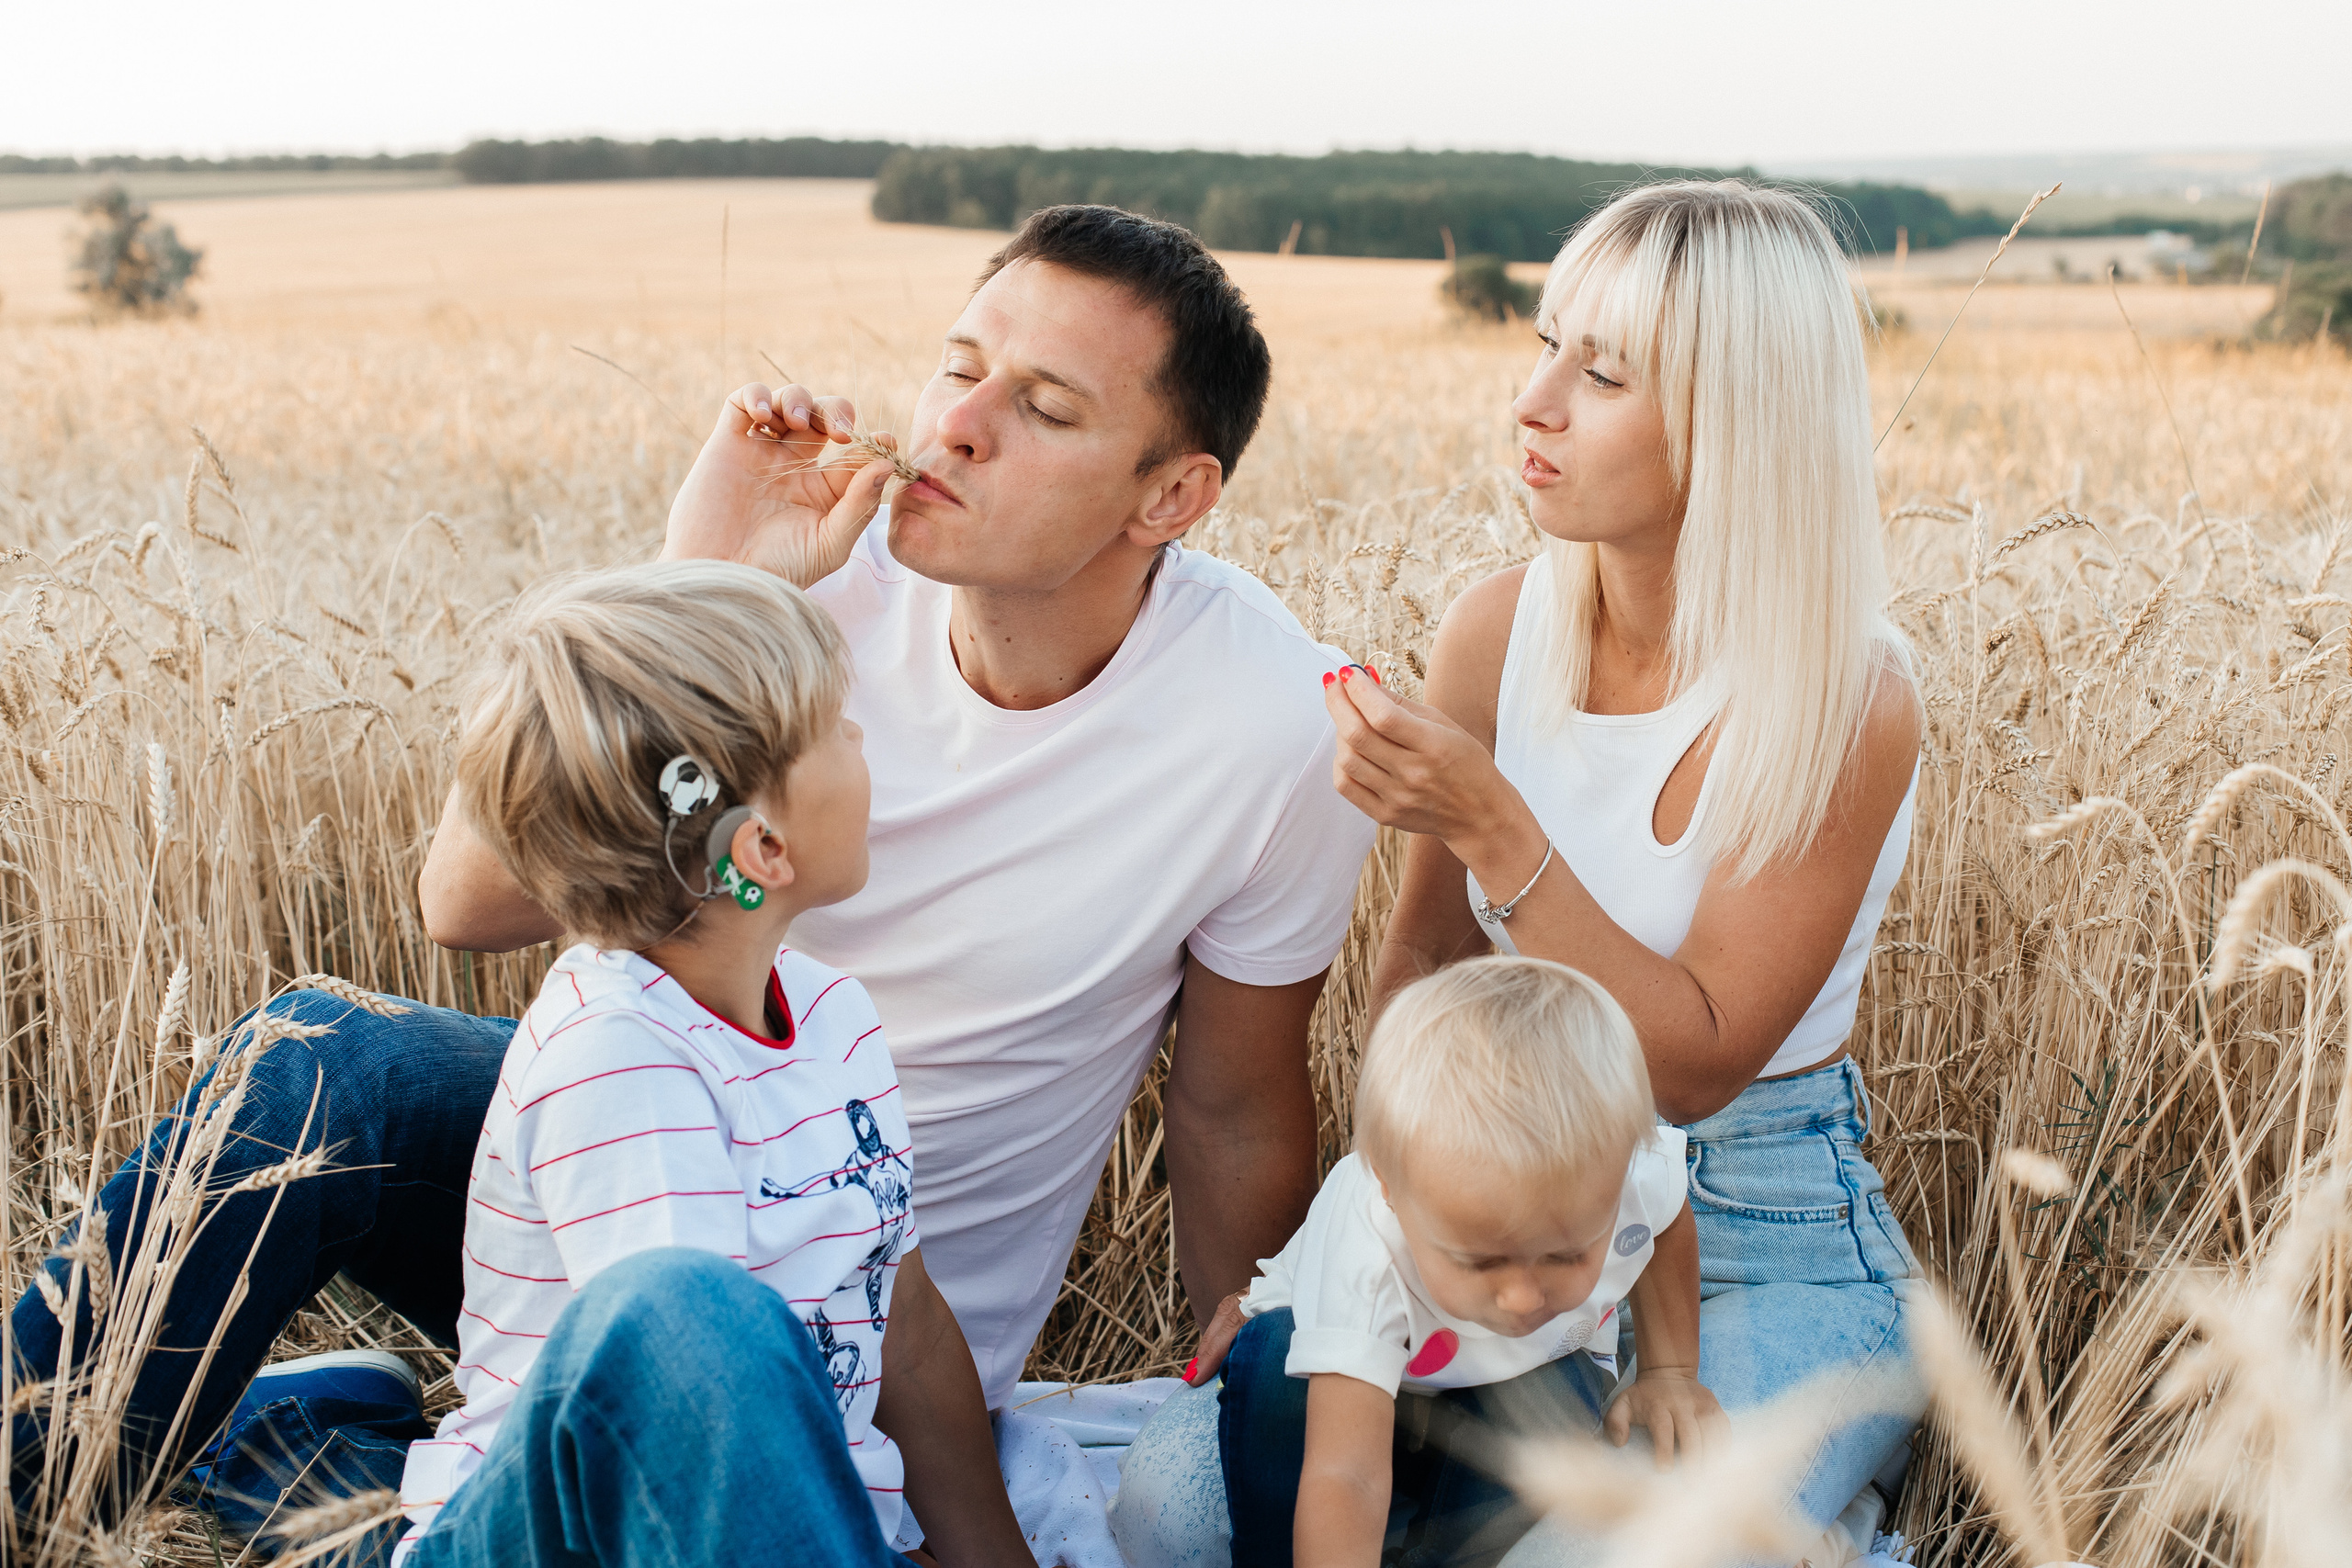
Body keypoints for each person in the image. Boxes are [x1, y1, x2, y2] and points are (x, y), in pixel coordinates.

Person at [11, 205, 1374, 1544]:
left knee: (690, 1337)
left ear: (1173, 493)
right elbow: (468, 902)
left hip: (877, 1306)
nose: (958, 423)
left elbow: (1233, 1101)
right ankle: (33, 1471)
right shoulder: (809, 582)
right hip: (628, 1175)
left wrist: (1229, 1389)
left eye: (1047, 408)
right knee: (318, 1061)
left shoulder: (1268, 718)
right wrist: (701, 573)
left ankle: (310, 1452)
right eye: (960, 365)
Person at [1123, 179, 1925, 1568]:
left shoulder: (1842, 695)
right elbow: (1424, 974)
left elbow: (1690, 1069)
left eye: (1600, 371)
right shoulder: (1500, 628)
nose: (1534, 401)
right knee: (1176, 1508)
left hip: (1750, 1228)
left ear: (1737, 421)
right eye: (1546, 344)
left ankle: (1800, 1519)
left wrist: (1503, 830)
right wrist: (1363, 1235)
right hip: (1486, 1208)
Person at [395, 561, 1027, 1566]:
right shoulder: (615, 1061)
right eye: (834, 729)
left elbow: (897, 1319)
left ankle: (313, 1424)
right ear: (763, 849)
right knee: (690, 1313)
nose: (860, 739)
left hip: (777, 1522)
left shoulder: (831, 1014)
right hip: (581, 1538)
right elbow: (680, 1416)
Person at [1216, 957, 1719, 1568]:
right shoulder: (1369, 1252)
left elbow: (1665, 1218)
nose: (1522, 1296)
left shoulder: (1625, 1173)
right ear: (1393, 1193)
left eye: (1563, 1254)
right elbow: (1346, 1474)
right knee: (1277, 1373)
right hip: (1347, 1375)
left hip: (1534, 1363)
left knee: (1544, 1443)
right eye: (1482, 1261)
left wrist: (1669, 1370)